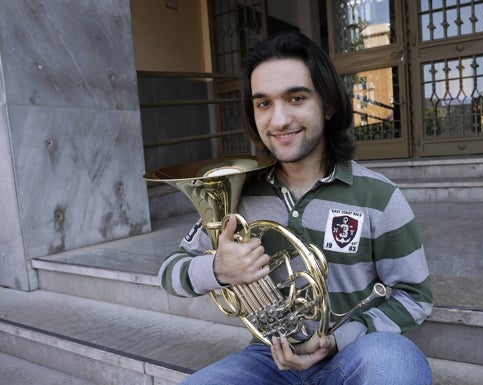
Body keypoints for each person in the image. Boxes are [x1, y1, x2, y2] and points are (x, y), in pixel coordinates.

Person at [158, 31, 433, 385]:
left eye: (296, 98)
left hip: (356, 351)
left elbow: (414, 296)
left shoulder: (378, 196)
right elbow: (170, 270)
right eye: (264, 104)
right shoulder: (237, 192)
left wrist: (338, 340)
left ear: (329, 105)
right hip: (268, 358)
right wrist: (218, 268)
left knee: (396, 362)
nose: (279, 120)